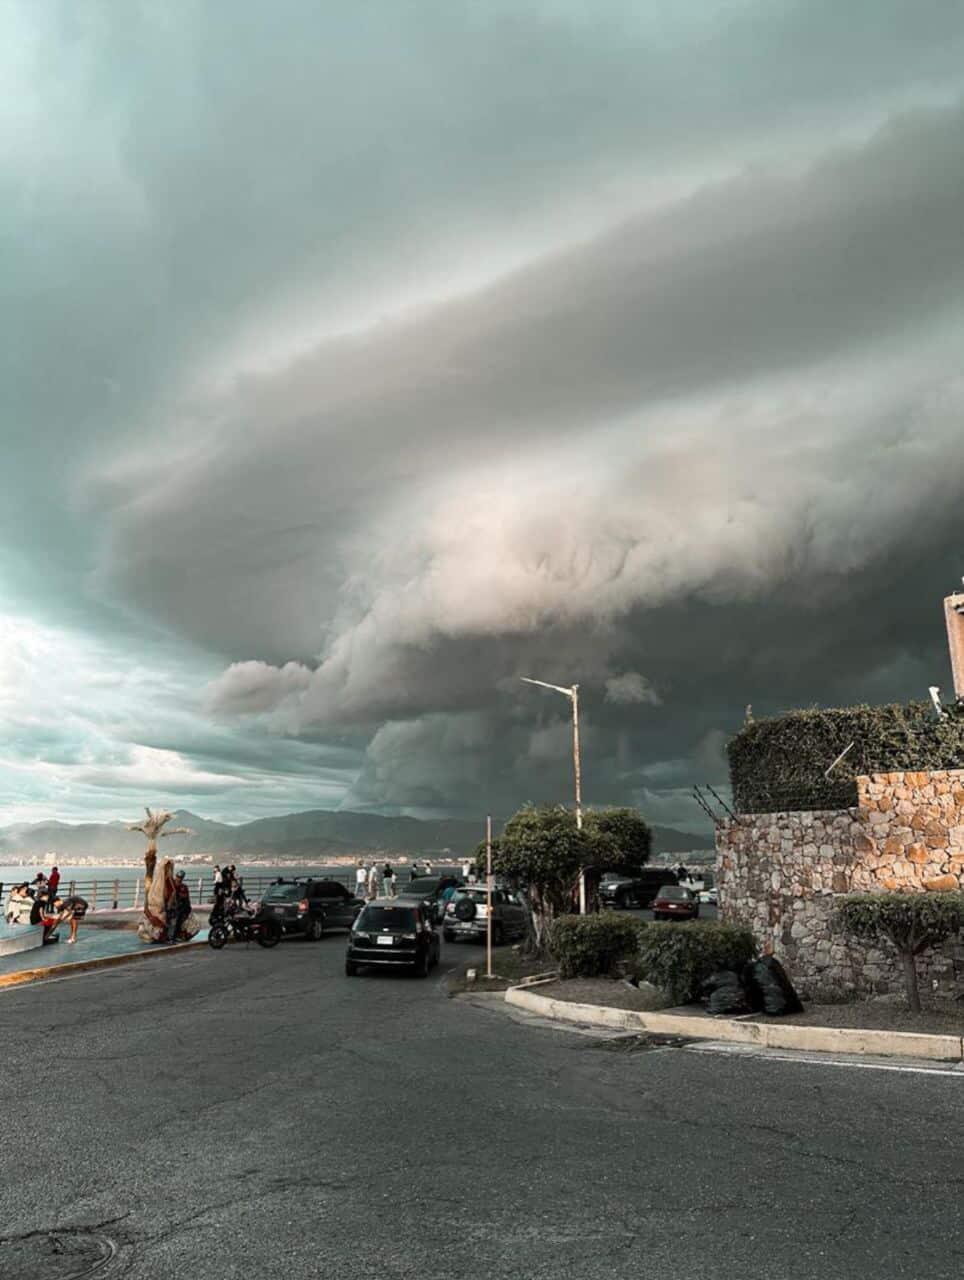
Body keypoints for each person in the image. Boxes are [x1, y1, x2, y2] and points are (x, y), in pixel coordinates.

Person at [167, 872, 192, 942]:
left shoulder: (184, 887)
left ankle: (174, 936)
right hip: (171, 905)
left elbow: (186, 897)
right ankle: (169, 935)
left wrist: (179, 895)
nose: (179, 879)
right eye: (178, 877)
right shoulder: (172, 885)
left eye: (180, 878)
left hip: (180, 906)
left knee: (178, 918)